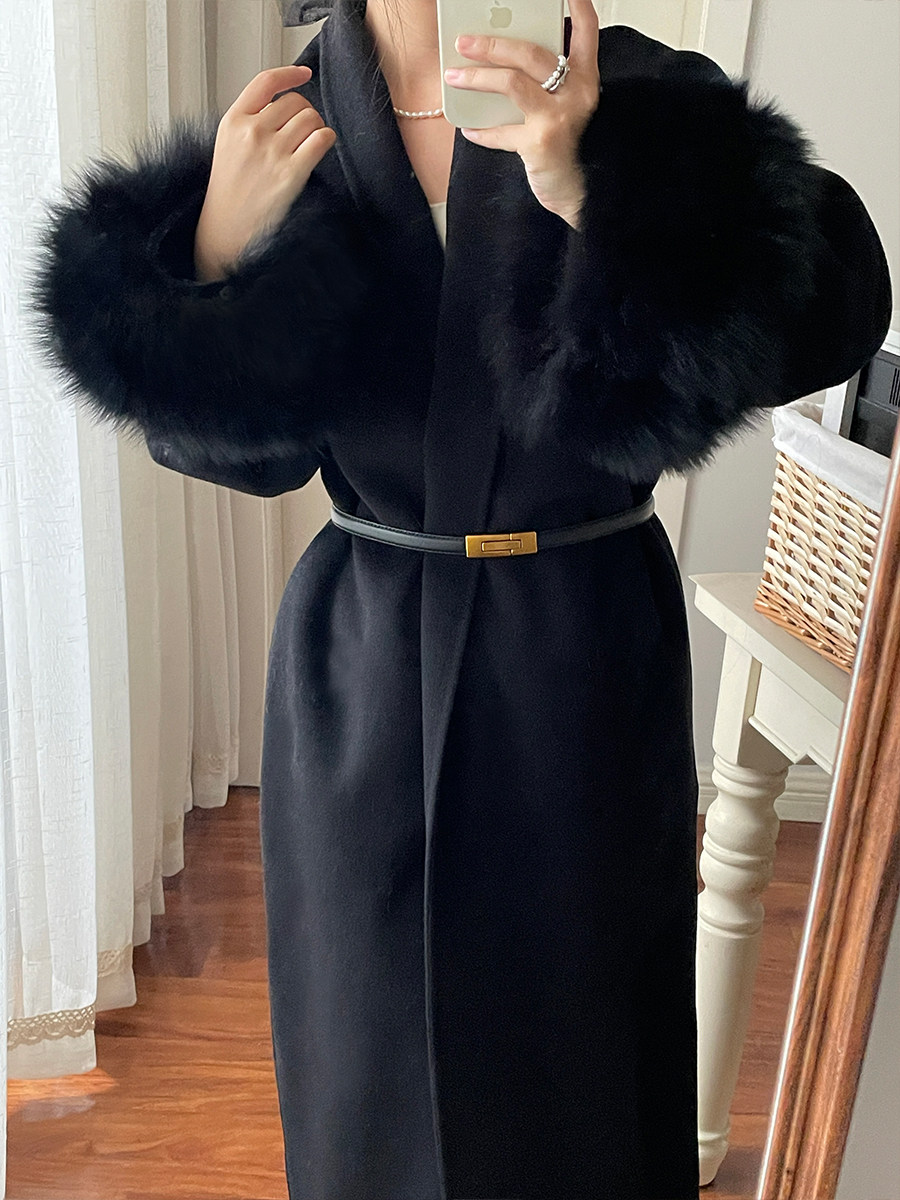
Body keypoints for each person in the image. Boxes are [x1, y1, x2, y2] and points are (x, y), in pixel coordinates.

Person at [27, 0, 893, 1196]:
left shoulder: (641, 94)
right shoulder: (290, 124)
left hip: (580, 653)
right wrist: (213, 263)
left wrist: (602, 198)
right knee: (365, 1057)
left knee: (584, 1049)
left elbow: (833, 318)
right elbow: (249, 457)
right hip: (363, 668)